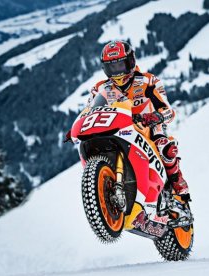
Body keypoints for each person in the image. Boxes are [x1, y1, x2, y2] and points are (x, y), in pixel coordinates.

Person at [78, 40, 190, 201]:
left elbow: (169, 111)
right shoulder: (100, 88)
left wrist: (157, 116)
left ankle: (177, 180)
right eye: (112, 67)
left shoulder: (148, 81)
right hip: (117, 126)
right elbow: (90, 111)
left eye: (120, 65)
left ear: (130, 62)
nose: (117, 71)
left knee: (165, 147)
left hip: (148, 126)